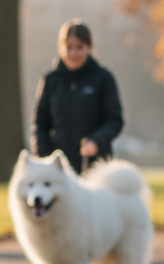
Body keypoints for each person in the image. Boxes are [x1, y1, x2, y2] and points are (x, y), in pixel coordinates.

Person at [30, 18, 124, 174]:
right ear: (61, 48)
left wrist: (96, 141)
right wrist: (44, 158)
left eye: (79, 47)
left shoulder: (103, 79)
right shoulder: (50, 80)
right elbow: (40, 123)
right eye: (69, 47)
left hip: (95, 165)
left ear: (89, 48)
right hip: (59, 167)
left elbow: (115, 120)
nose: (73, 53)